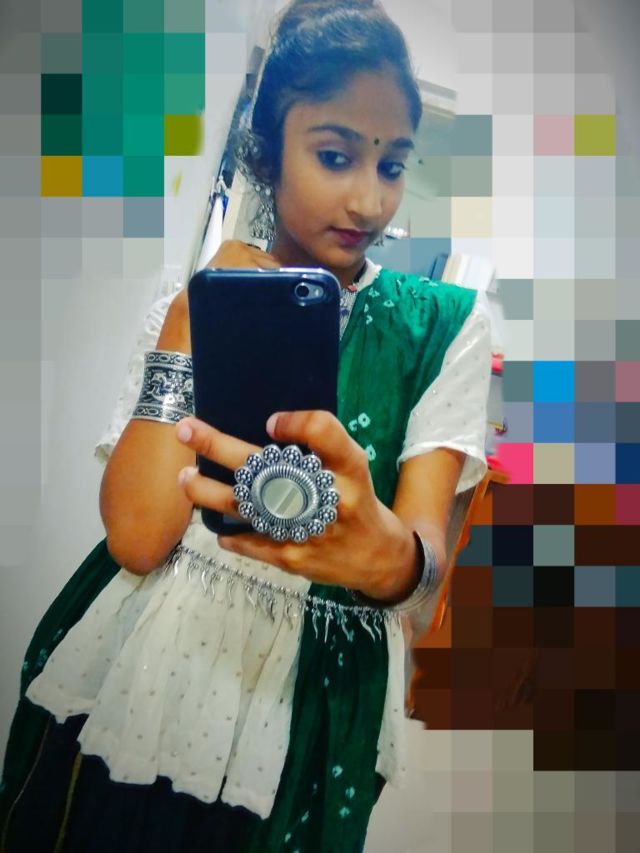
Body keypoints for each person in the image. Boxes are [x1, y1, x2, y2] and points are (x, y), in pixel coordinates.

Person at [0, 0, 492, 850]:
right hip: (141, 666)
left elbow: (423, 564)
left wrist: (391, 557)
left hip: (310, 705)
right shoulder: (191, 301)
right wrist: (188, 322)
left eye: (392, 164)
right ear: (268, 151)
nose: (369, 198)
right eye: (334, 155)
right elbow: (138, 537)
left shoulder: (443, 326)